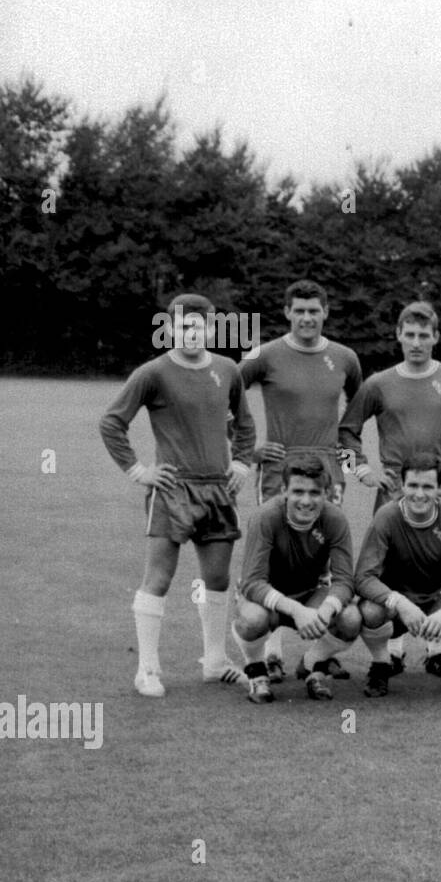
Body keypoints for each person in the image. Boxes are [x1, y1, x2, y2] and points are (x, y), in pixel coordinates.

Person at [100, 293, 256, 697]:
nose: (190, 333)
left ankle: (216, 661)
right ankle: (147, 669)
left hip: (217, 490)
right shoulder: (153, 372)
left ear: (211, 328)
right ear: (169, 329)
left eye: (198, 325)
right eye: (182, 326)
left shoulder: (227, 370)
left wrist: (240, 464)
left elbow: (245, 424)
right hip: (172, 490)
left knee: (218, 578)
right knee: (159, 578)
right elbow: (112, 423)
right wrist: (139, 472)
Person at [339, 301, 441, 675]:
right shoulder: (378, 382)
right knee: (388, 566)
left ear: (436, 338)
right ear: (398, 336)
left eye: (424, 335)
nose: (416, 342)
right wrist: (362, 471)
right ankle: (392, 650)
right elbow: (346, 431)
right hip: (394, 487)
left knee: (438, 564)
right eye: (409, 335)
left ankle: (437, 648)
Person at [238, 278, 362, 685]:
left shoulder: (344, 358)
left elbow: (353, 422)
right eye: (300, 310)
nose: (307, 317)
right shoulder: (265, 354)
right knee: (274, 551)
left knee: (321, 553)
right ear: (287, 312)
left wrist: (347, 461)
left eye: (315, 310)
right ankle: (270, 653)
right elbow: (221, 393)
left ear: (325, 312)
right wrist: (248, 448)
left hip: (326, 467)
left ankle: (319, 652)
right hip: (280, 466)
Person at [353, 454, 441, 699]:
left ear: (439, 488)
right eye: (413, 486)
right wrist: (400, 603)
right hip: (395, 601)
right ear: (402, 486)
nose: (419, 494)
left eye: (427, 486)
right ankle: (382, 663)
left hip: (437, 597)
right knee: (370, 611)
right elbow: (363, 578)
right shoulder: (386, 516)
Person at [231, 457, 362, 704]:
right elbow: (251, 582)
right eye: (298, 491)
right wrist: (296, 610)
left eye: (315, 493)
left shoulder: (335, 519)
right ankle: (256, 670)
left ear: (326, 494)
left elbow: (345, 580)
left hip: (310, 592)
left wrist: (326, 609)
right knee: (252, 619)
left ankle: (313, 664)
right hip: (265, 598)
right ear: (284, 491)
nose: (306, 500)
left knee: (351, 618)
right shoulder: (265, 516)